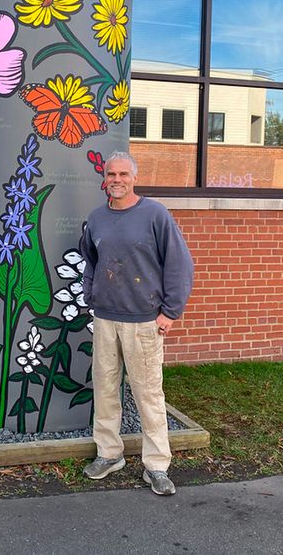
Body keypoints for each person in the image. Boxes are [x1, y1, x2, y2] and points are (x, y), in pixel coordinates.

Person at [78, 151, 194, 496]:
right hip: (105, 319)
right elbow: (90, 260)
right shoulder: (97, 217)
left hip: (143, 322)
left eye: (123, 174)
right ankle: (109, 454)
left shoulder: (155, 215)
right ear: (105, 178)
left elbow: (179, 265)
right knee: (105, 389)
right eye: (111, 174)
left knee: (148, 394)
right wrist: (91, 296)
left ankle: (156, 465)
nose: (117, 179)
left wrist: (170, 312)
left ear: (134, 178)